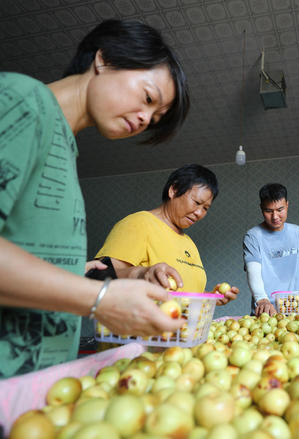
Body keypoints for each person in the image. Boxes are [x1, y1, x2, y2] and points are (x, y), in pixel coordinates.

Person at [0, 19, 190, 377]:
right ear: (104, 59)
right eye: (148, 98)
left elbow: (44, 272)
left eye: (155, 117)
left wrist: (136, 276)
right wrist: (100, 300)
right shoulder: (23, 102)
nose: (145, 118)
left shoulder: (64, 151)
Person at [94, 164, 239, 304]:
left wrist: (210, 297)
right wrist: (142, 273)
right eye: (196, 202)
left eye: (206, 208)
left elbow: (181, 293)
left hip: (181, 328)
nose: (199, 213)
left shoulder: (188, 242)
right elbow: (98, 277)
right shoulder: (139, 223)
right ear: (173, 190)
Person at [243, 183, 299, 316]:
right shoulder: (252, 236)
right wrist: (261, 299)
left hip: (294, 310)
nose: (275, 217)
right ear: (261, 208)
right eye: (269, 211)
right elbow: (253, 271)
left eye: (280, 210)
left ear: (287, 205)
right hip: (266, 312)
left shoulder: (297, 232)